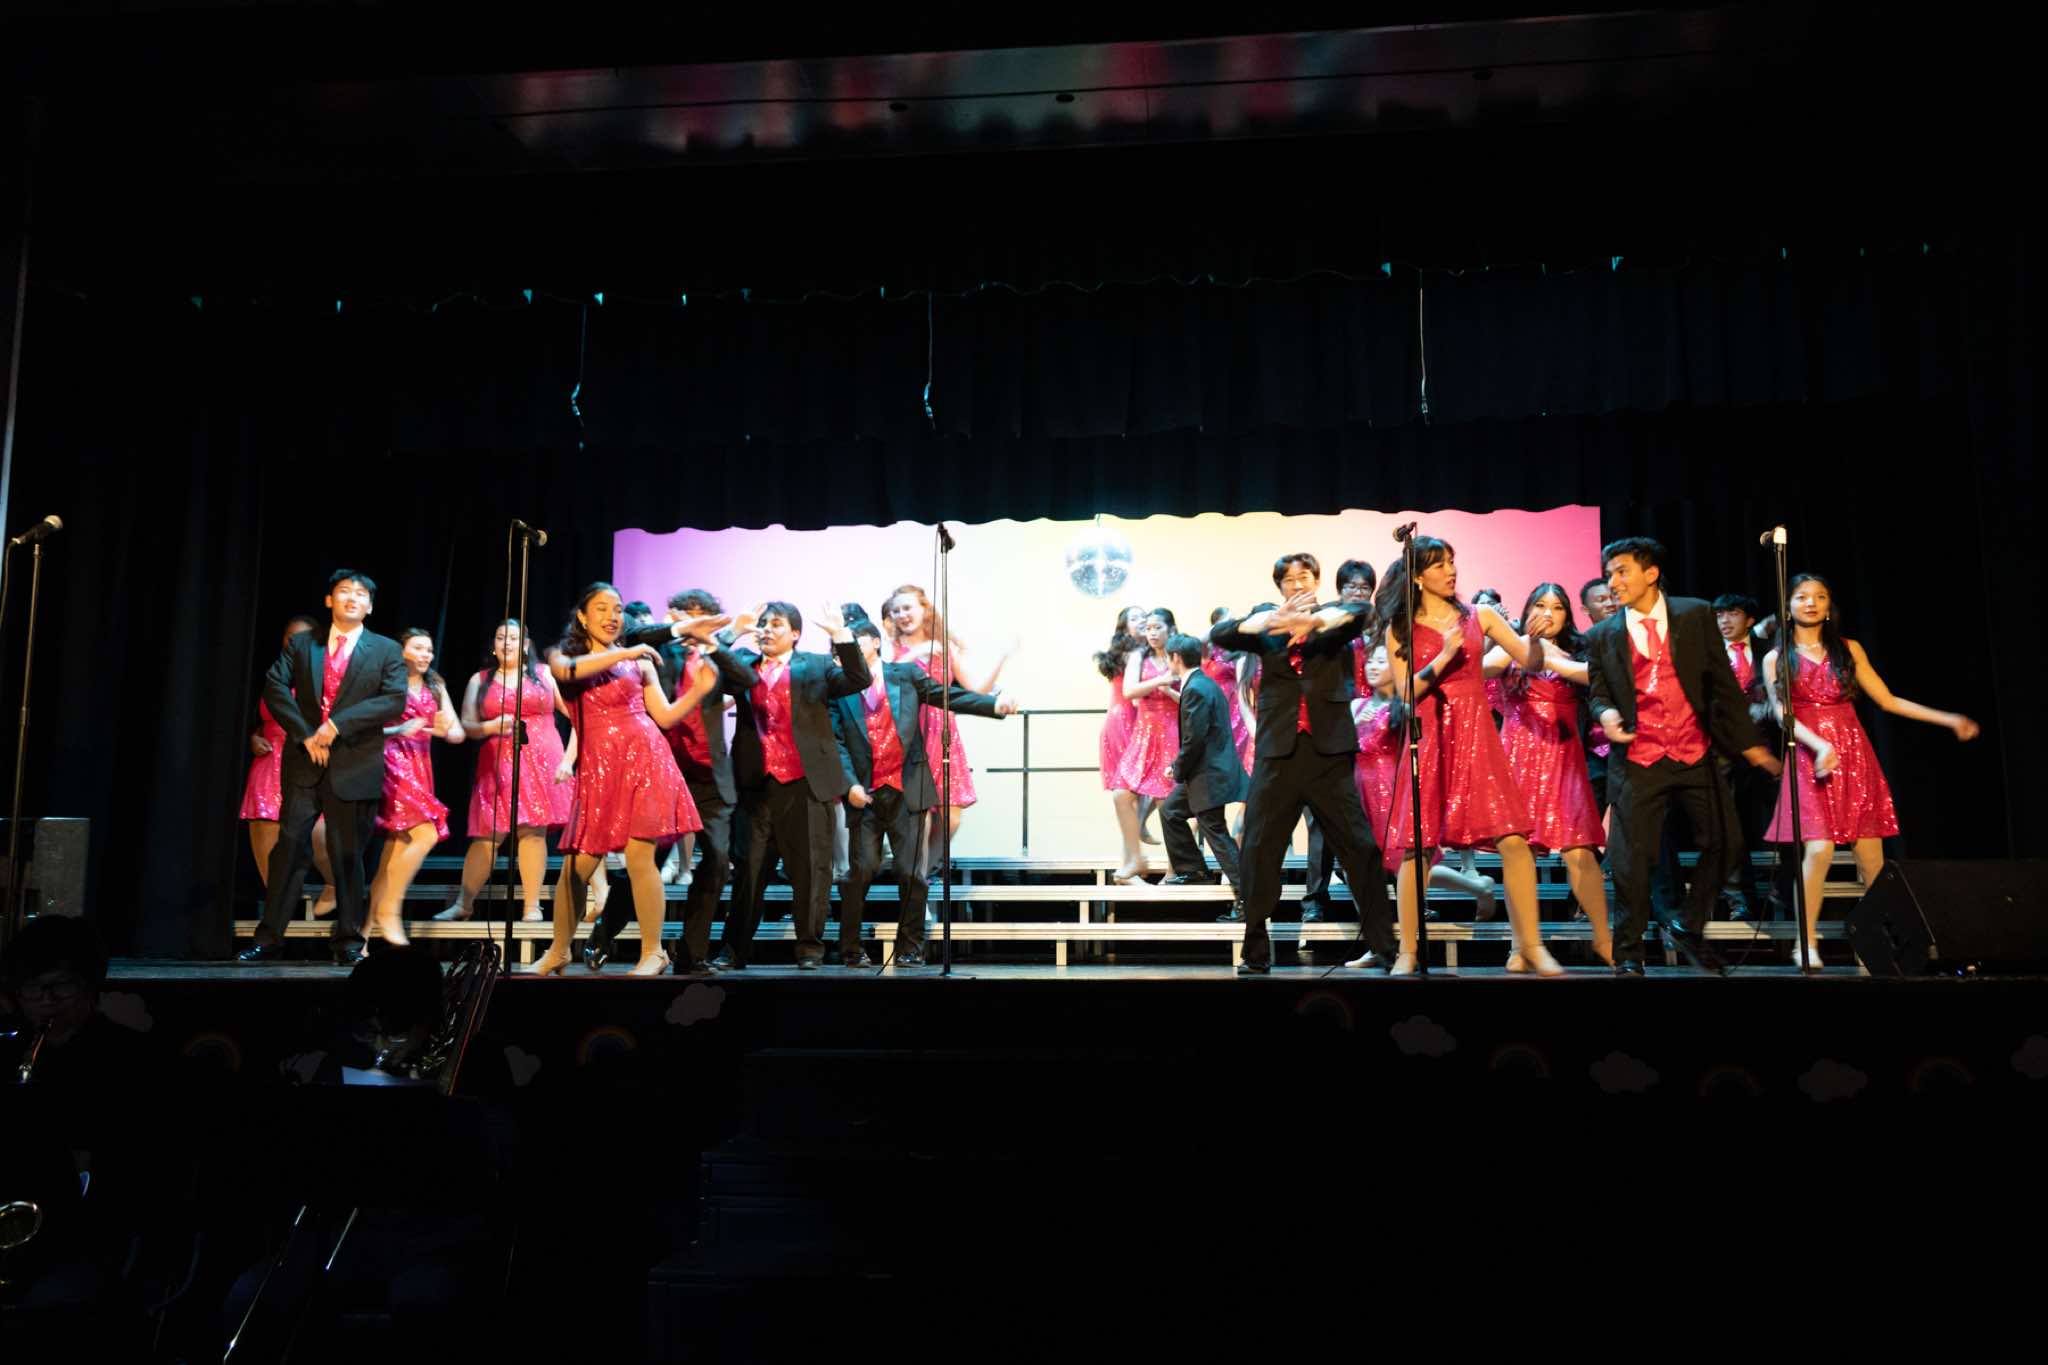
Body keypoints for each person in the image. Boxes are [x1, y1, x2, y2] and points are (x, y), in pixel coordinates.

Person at [1585, 538, 1781, 977]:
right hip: (1639, 758)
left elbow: (1723, 685)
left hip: (1695, 752)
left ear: (1651, 573)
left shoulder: (1694, 615)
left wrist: (1750, 746)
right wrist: (1607, 712)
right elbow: (1597, 693)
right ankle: (1629, 953)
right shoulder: (1602, 635)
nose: (1613, 582)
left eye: (1621, 571)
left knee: (1727, 842)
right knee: (1631, 860)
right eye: (1609, 574)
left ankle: (1689, 925)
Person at [1763, 573, 1978, 969]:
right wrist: (1820, 745)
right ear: (1788, 606)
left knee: (1871, 860)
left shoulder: (1848, 649)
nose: (1811, 603)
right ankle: (1805, 941)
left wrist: (1947, 719)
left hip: (1854, 756)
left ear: (1829, 606)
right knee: (1820, 849)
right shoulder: (1777, 657)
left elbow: (1888, 700)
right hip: (1810, 757)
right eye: (1802, 596)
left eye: (1820, 597)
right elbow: (1781, 715)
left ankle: (1876, 941)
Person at [1373, 537, 1566, 977]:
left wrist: (1534, 640)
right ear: (1417, 576)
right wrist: (1444, 655)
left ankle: (1532, 946)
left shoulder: (1480, 615)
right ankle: (1407, 951)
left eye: (1451, 562)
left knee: (1513, 840)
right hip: (1429, 735)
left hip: (1477, 734)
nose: (1451, 570)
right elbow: (1406, 691)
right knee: (1417, 848)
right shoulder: (1401, 627)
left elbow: (1528, 660)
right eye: (1439, 564)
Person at [1211, 552, 1395, 975]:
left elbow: (1361, 613)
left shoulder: (1333, 619)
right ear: (1279, 587)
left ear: (1316, 581)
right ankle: (1256, 950)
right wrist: (1271, 620)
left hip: (1328, 754)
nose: (1297, 584)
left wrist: (1311, 623)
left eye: (1305, 577)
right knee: (1258, 849)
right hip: (1278, 754)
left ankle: (1384, 946)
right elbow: (1221, 634)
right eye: (1289, 579)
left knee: (1361, 848)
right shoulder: (1267, 625)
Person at [534, 583, 725, 976]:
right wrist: (628, 650)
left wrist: (699, 693)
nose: (612, 616)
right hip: (599, 771)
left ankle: (654, 951)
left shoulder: (640, 663)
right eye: (602, 608)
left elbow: (665, 716)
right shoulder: (562, 656)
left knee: (640, 857)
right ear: (582, 616)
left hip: (645, 760)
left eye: (618, 609)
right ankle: (558, 950)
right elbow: (567, 672)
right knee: (575, 869)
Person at [240, 570, 408, 967]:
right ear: (329, 600)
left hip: (355, 763)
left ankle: (348, 940)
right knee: (288, 848)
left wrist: (335, 726)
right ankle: (269, 938)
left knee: (347, 853)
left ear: (370, 606)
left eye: (360, 594)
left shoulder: (385, 649)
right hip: (304, 762)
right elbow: (274, 686)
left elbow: (394, 700)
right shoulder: (303, 644)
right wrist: (305, 734)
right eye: (344, 591)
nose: (352, 598)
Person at [832, 609, 1017, 967]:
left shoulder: (904, 675)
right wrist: (849, 783)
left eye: (855, 642)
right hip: (864, 793)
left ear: (874, 642)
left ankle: (910, 948)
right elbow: (836, 741)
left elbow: (948, 696)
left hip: (908, 788)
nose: (847, 651)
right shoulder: (839, 689)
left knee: (911, 873)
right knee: (860, 872)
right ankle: (851, 949)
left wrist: (993, 704)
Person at [589, 589, 760, 974]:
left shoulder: (718, 657)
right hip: (663, 774)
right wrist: (683, 630)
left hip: (711, 781)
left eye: (703, 616)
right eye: (688, 616)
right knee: (645, 861)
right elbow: (632, 634)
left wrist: (715, 642)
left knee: (717, 862)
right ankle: (605, 932)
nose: (696, 622)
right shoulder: (657, 653)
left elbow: (747, 679)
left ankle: (691, 954)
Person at [713, 600, 871, 970]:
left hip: (806, 784)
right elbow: (709, 664)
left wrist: (841, 635)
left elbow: (859, 679)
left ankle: (810, 951)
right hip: (756, 786)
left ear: (795, 634)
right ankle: (734, 950)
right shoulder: (744, 664)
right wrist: (733, 631)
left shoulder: (815, 666)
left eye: (776, 624)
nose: (766, 630)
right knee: (749, 870)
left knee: (812, 871)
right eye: (763, 624)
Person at [1483, 584, 1614, 965]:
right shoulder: (1511, 646)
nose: (1548, 613)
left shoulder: (1581, 649)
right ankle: (1520, 946)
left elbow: (1594, 677)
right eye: (1540, 605)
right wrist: (1522, 644)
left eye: (1557, 608)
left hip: (1563, 759)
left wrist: (1545, 654)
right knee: (1517, 854)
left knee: (1580, 852)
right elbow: (1480, 669)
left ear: (1567, 616)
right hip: (1517, 757)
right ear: (1526, 611)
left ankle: (1605, 940)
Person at [445, 620, 575, 924]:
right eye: (501, 637)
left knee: (533, 831)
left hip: (543, 759)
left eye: (514, 638)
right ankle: (464, 903)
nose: (507, 643)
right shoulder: (480, 680)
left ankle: (532, 906)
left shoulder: (543, 673)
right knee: (488, 833)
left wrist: (570, 758)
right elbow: (467, 725)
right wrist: (491, 726)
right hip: (498, 762)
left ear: (525, 644)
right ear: (494, 644)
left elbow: (573, 712)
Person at [882, 584, 1010, 878]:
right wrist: (914, 653)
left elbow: (976, 689)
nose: (902, 615)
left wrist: (1002, 657)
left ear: (924, 610)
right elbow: (882, 680)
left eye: (907, 608)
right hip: (909, 735)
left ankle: (922, 876)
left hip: (942, 734)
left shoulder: (944, 648)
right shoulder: (891, 649)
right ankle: (917, 884)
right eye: (896, 610)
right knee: (919, 819)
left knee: (951, 818)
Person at [364, 629, 465, 947]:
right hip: (391, 764)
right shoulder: (387, 681)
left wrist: (443, 730)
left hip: (421, 768)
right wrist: (399, 729)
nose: (425, 655)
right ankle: (390, 910)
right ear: (402, 651)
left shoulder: (435, 685)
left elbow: (457, 733)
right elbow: (364, 729)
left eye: (428, 650)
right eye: (418, 648)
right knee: (427, 834)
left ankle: (362, 934)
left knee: (392, 854)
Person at [241, 614, 337, 920]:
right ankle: (275, 917)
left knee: (320, 833)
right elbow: (261, 720)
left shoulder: (329, 677)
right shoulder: (275, 677)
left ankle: (335, 884)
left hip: (308, 765)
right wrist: (254, 737)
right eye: (290, 638)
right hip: (269, 764)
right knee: (267, 841)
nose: (296, 643)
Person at [1299, 559, 1377, 923]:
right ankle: (1315, 898)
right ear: (1339, 589)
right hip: (1332, 726)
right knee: (1321, 816)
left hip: (1376, 726)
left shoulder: (1379, 623)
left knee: (1375, 810)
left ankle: (1396, 894)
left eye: (1365, 588)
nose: (1359, 593)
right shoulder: (1324, 620)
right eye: (1352, 587)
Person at [1157, 633, 1247, 914]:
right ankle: (1193, 870)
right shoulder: (1204, 684)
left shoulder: (1196, 688)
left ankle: (1248, 900)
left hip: (1208, 775)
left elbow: (1194, 739)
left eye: (1168, 657)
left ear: (1175, 658)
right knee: (1170, 811)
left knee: (1216, 833)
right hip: (1204, 772)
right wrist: (1180, 766)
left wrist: (1177, 768)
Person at [1111, 609, 1181, 878]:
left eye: (1157, 627)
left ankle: (1174, 869)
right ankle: (1135, 858)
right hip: (1144, 732)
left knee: (1167, 803)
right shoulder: (1139, 656)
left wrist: (1169, 690)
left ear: (1170, 630)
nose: (1151, 632)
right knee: (1121, 793)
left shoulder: (1179, 656)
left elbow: (1190, 697)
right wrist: (1159, 681)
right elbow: (1129, 691)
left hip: (1172, 731)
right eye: (1148, 628)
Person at [1096, 606, 1153, 881]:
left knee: (1134, 794)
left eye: (1144, 616)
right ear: (1124, 625)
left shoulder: (1139, 651)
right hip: (1125, 722)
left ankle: (1130, 861)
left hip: (1131, 720)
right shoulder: (1133, 653)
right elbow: (1135, 695)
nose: (1141, 621)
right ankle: (1131, 861)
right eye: (1134, 618)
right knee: (1129, 792)